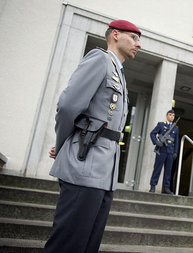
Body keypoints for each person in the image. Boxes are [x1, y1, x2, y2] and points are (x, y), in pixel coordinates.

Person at [44, 19, 141, 253]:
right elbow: (68, 106)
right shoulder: (100, 60)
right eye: (134, 38)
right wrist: (64, 145)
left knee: (89, 243)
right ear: (115, 35)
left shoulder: (119, 72)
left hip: (104, 171)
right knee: (69, 243)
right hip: (84, 165)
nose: (139, 44)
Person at [149, 110, 179, 194]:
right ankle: (153, 186)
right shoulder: (161, 125)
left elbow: (176, 141)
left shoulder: (176, 128)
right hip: (162, 150)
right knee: (157, 168)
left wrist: (175, 152)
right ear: (166, 116)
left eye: (173, 115)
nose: (172, 117)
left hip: (170, 151)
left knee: (168, 170)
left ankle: (166, 188)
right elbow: (152, 133)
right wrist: (156, 142)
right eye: (170, 115)